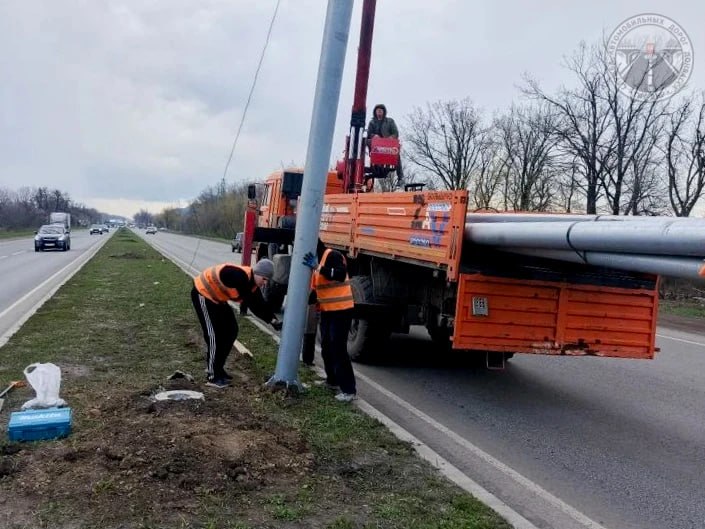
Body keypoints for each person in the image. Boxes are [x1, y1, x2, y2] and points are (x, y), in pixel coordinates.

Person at [191, 259, 283, 388]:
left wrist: (273, 320)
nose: (265, 283)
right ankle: (212, 376)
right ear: (257, 273)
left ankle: (218, 369)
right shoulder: (240, 276)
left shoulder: (252, 284)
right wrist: (271, 320)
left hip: (218, 299)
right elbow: (253, 303)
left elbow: (259, 304)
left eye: (267, 280)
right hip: (203, 293)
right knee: (213, 335)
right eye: (264, 279)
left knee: (231, 330)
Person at [303, 242, 357, 402]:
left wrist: (318, 267)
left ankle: (349, 390)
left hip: (341, 310)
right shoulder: (317, 263)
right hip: (327, 310)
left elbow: (340, 274)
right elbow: (318, 289)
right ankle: (332, 381)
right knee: (326, 345)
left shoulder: (332, 255)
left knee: (337, 347)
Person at [367, 103, 404, 184]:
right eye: (378, 110)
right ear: (375, 112)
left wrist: (391, 137)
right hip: (376, 146)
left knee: (396, 153)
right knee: (366, 141)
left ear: (384, 112)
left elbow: (395, 133)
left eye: (381, 110)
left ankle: (401, 177)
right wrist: (374, 136)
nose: (379, 112)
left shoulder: (390, 121)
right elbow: (369, 134)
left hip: (388, 145)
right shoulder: (372, 122)